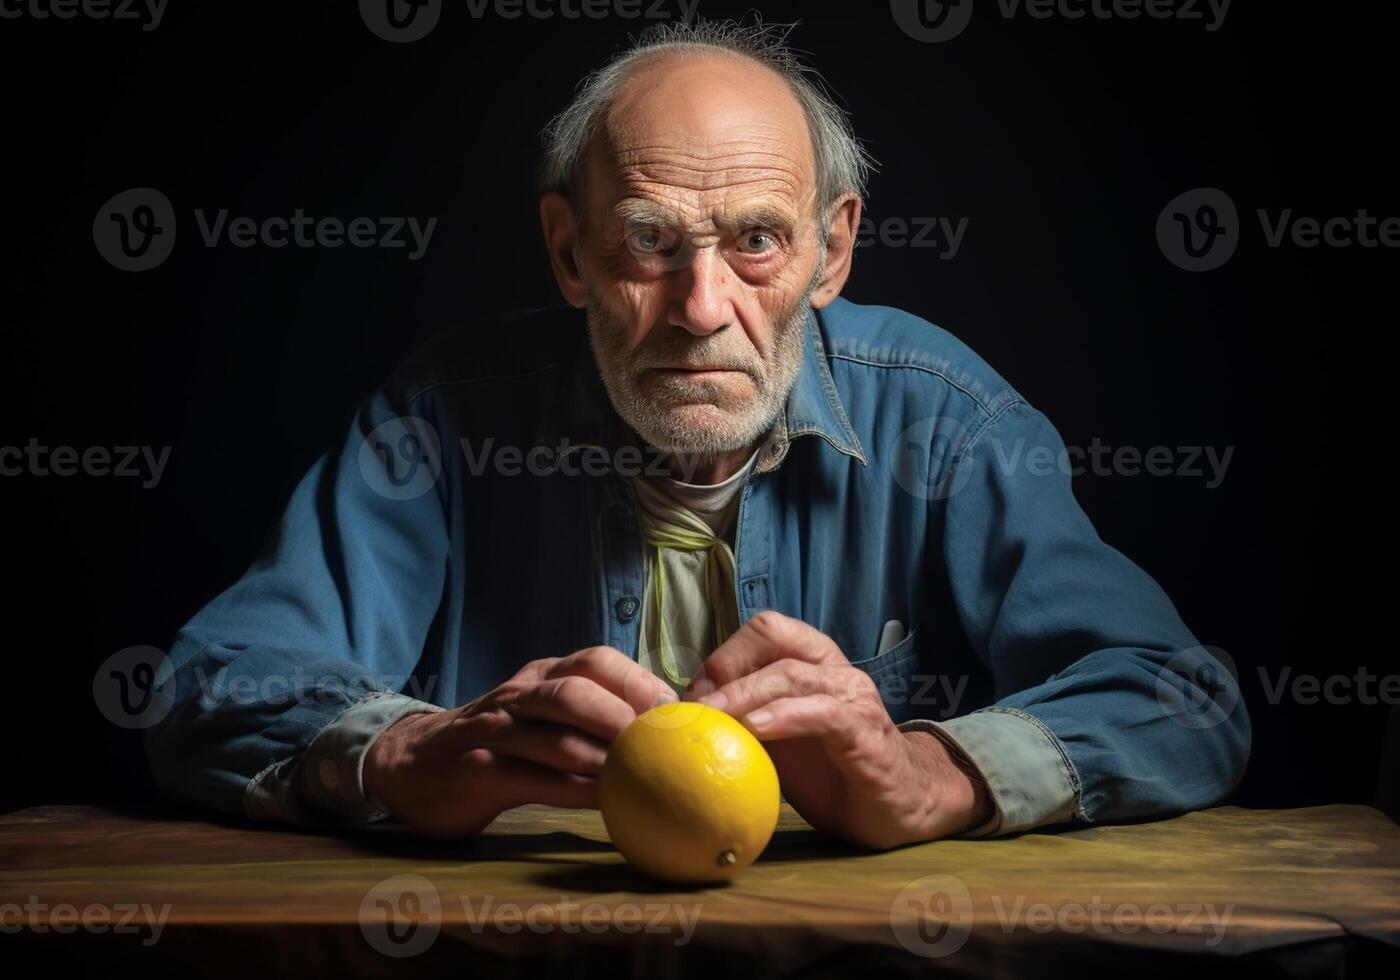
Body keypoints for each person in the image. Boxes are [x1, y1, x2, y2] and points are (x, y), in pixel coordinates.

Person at [144, 20, 1249, 848]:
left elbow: (1178, 697)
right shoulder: (439, 417)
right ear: (569, 251)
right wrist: (389, 754)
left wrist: (935, 773)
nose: (701, 305)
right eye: (648, 241)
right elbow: (210, 686)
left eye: (756, 240)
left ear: (831, 251)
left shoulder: (946, 420)